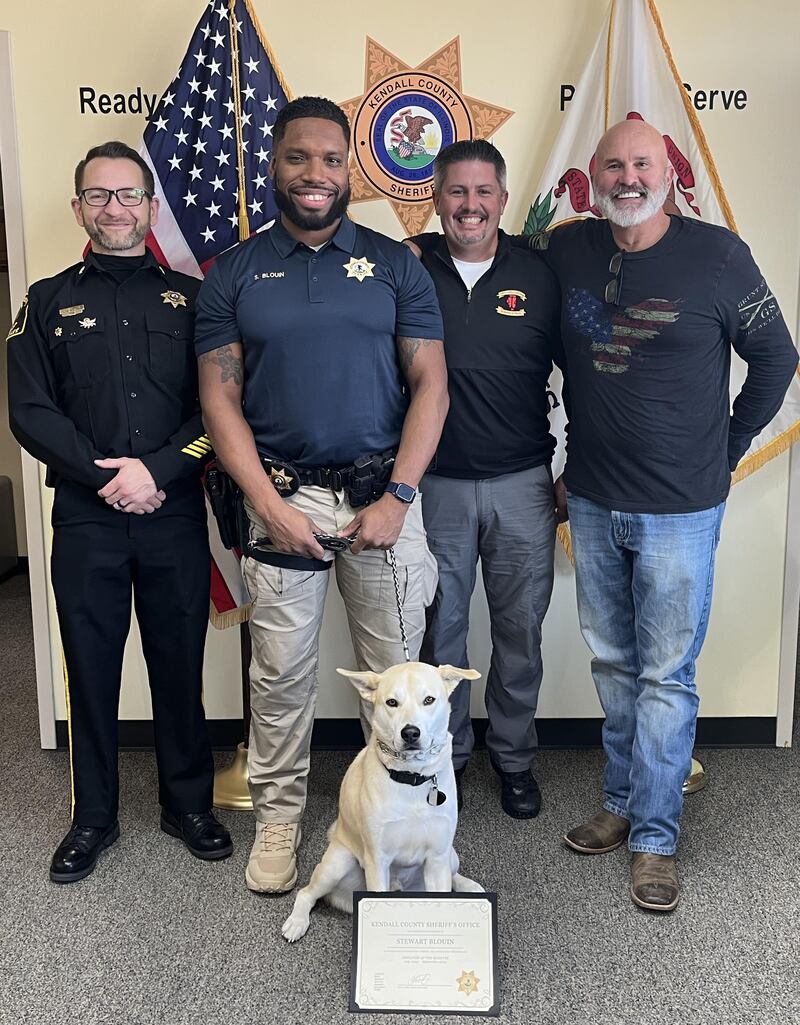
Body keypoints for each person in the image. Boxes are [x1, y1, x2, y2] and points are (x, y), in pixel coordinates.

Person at [525, 119, 798, 911]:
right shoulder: (567, 249)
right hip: (593, 496)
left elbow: (777, 357)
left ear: (667, 171)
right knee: (613, 662)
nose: (629, 177)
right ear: (594, 176)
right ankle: (620, 800)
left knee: (666, 674)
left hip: (682, 506)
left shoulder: (719, 256)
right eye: (614, 164)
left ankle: (655, 835)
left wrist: (728, 447)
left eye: (642, 163)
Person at [195, 96, 447, 895]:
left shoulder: (396, 263)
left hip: (384, 501)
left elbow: (431, 384)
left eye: (331, 159)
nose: (315, 173)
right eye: (298, 157)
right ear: (273, 164)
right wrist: (269, 507)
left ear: (349, 169)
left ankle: (412, 817)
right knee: (279, 678)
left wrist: (399, 496)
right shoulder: (234, 272)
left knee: (401, 681)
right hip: (283, 500)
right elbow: (218, 399)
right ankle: (278, 820)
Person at [7, 141, 232, 883]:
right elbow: (30, 411)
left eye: (129, 194)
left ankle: (187, 805)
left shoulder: (195, 301)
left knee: (179, 662)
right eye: (99, 195)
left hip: (171, 511)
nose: (115, 208)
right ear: (78, 208)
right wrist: (105, 478)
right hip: (87, 517)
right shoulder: (44, 301)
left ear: (151, 206)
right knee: (91, 668)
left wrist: (158, 470)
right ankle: (92, 817)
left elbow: (219, 408)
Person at [404, 140, 561, 818]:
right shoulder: (407, 267)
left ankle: (515, 759)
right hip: (433, 484)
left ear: (502, 198)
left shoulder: (542, 275)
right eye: (457, 191)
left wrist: (576, 466)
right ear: (437, 199)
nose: (471, 205)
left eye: (483, 191)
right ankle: (448, 756)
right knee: (440, 636)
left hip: (522, 484)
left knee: (519, 631)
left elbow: (587, 376)